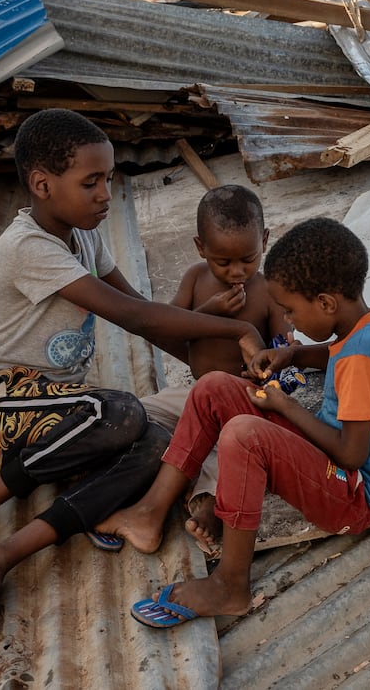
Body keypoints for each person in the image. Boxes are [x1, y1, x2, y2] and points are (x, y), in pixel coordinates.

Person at [0, 108, 261, 640]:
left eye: (109, 179)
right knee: (121, 412)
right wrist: (231, 329)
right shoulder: (28, 246)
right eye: (92, 181)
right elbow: (133, 315)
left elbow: (145, 317)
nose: (106, 193)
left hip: (62, 415)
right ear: (42, 184)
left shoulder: (84, 236)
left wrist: (221, 375)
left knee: (162, 441)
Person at [98, 217, 370, 628]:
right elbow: (337, 354)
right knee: (214, 387)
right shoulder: (369, 325)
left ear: (325, 303)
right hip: (334, 462)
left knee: (243, 435)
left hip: (357, 496)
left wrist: (285, 407)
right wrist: (294, 355)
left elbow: (352, 454)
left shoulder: (360, 358)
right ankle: (150, 512)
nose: (289, 321)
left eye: (290, 311)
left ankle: (230, 583)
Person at [140, 184, 295, 555]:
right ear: (200, 248)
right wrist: (208, 312)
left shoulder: (268, 292)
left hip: (244, 403)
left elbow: (286, 350)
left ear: (265, 240)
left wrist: (272, 368)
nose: (237, 271)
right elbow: (169, 326)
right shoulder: (195, 279)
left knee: (226, 452)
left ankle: (208, 505)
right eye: (223, 262)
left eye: (248, 258)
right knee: (140, 412)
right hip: (195, 399)